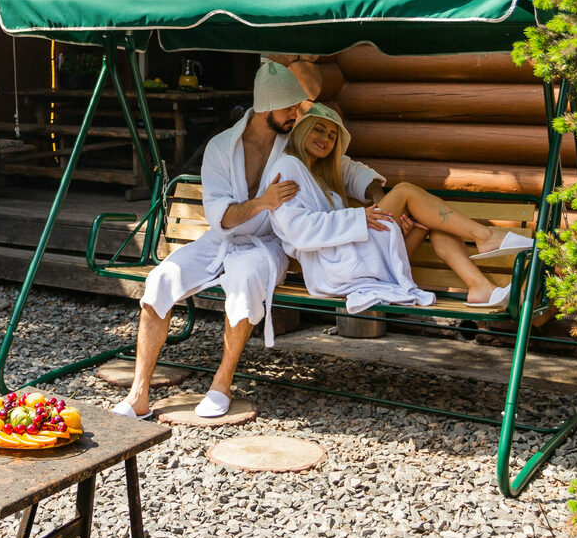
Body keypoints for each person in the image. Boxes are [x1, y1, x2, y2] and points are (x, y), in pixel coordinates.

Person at [113, 62, 383, 420]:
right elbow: (220, 217)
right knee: (159, 279)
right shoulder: (221, 147)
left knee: (243, 280)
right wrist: (262, 202)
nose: (295, 115)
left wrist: (377, 192)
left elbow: (344, 167)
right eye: (289, 108)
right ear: (268, 107)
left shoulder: (295, 144)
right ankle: (139, 395)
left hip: (268, 245)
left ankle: (221, 384)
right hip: (219, 240)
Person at [272, 105, 526, 312]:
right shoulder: (289, 167)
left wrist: (381, 204)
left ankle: (480, 286)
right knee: (404, 190)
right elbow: (296, 230)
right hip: (333, 269)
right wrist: (358, 217)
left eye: (332, 136)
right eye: (318, 130)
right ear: (302, 130)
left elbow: (355, 172)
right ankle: (485, 236)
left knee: (431, 224)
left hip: (356, 263)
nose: (325, 139)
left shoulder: (321, 170)